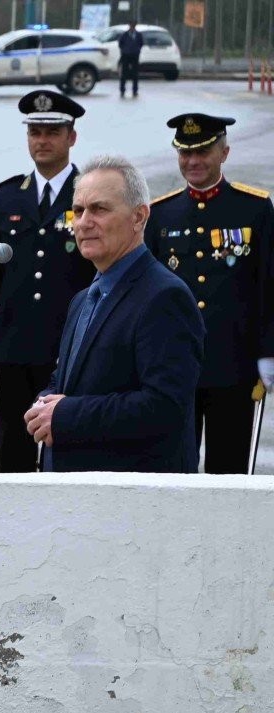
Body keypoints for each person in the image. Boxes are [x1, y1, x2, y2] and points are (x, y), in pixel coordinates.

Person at [27, 157, 203, 473]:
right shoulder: (83, 299)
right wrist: (45, 403)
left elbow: (164, 407)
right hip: (77, 492)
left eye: (99, 209)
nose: (83, 222)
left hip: (132, 497)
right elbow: (68, 379)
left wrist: (66, 414)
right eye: (78, 211)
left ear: (139, 217)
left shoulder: (164, 297)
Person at [0, 91, 93, 474]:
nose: (42, 140)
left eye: (52, 132)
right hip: (14, 350)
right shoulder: (7, 198)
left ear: (71, 137)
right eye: (35, 131)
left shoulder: (89, 195)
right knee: (13, 453)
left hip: (71, 347)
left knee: (72, 450)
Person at [145, 113, 274, 475]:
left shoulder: (255, 208)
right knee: (173, 471)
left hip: (233, 364)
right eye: (185, 154)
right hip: (174, 368)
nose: (193, 162)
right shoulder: (162, 213)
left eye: (203, 152)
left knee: (229, 471)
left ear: (224, 153)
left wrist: (268, 352)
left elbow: (267, 284)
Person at [117, 24, 145, 98]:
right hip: (126, 55)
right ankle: (122, 90)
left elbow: (141, 43)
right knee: (124, 73)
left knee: (135, 74)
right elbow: (120, 44)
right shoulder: (124, 35)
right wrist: (124, 50)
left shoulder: (138, 35)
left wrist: (137, 50)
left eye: (133, 26)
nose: (132, 28)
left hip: (135, 56)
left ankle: (135, 91)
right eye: (131, 26)